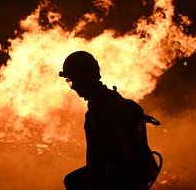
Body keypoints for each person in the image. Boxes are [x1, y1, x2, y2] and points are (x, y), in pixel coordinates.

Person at [60, 51, 158, 190]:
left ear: (84, 77)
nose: (73, 86)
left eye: (73, 80)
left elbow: (104, 163)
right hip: (141, 175)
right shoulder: (121, 102)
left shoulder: (98, 114)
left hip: (123, 181)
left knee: (72, 181)